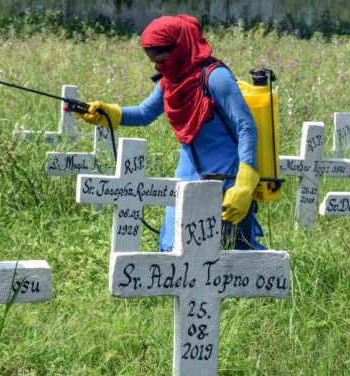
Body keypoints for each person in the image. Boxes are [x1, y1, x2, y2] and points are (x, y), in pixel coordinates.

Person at [76, 14, 264, 251]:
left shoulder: (216, 77)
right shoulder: (171, 80)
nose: (158, 68)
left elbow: (246, 126)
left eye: (162, 60)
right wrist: (108, 113)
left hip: (226, 180)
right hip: (188, 177)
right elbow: (145, 113)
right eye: (153, 62)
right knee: (174, 249)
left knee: (230, 258)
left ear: (180, 49)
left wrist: (245, 184)